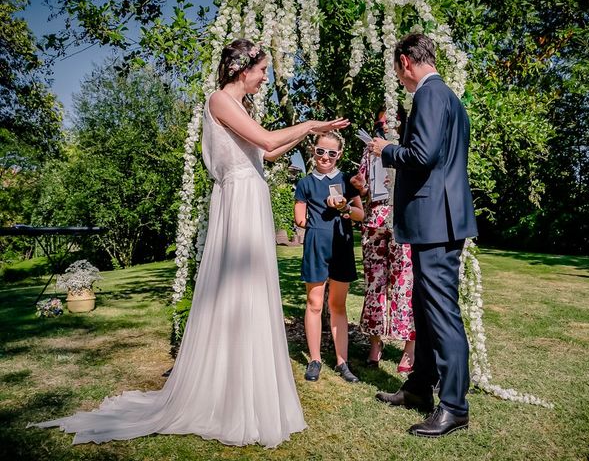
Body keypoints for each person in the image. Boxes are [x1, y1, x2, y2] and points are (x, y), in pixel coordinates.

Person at [29, 38, 349, 448]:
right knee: (235, 289)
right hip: (238, 199)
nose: (266, 76)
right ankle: (225, 391)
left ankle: (244, 384)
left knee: (251, 289)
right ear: (242, 68)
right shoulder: (219, 100)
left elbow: (266, 155)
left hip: (251, 194)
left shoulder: (239, 108)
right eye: (263, 69)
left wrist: (307, 136)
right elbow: (267, 142)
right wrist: (310, 126)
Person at [369, 33, 478, 438]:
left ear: (405, 62)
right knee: (425, 306)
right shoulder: (450, 98)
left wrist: (386, 149)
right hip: (437, 220)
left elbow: (423, 155)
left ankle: (454, 406)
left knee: (442, 312)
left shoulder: (431, 95)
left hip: (437, 222)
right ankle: (419, 387)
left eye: (398, 71)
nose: (399, 79)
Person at [294, 132, 364, 383]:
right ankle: (315, 359)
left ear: (339, 155)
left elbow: (360, 215)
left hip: (342, 246)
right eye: (321, 151)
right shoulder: (304, 183)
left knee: (337, 305)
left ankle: (342, 362)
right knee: (314, 304)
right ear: (313, 151)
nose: (325, 157)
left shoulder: (347, 180)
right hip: (315, 246)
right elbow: (299, 218)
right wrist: (313, 220)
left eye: (331, 153)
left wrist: (344, 207)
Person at [351, 109, 415, 373]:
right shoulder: (368, 151)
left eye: (389, 122)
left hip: (403, 219)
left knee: (404, 284)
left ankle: (410, 351)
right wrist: (360, 186)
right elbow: (365, 189)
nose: (383, 127)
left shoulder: (410, 146)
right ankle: (375, 345)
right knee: (375, 284)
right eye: (379, 123)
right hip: (375, 221)